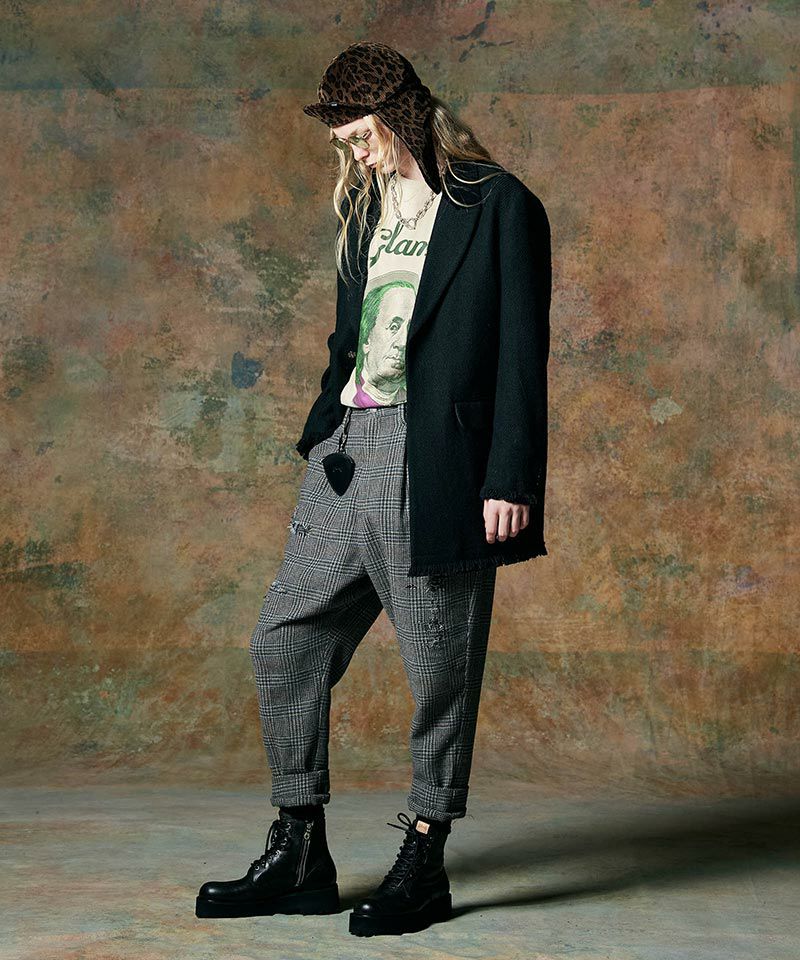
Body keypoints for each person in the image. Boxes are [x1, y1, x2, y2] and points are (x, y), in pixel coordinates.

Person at [196, 41, 551, 938]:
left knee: (438, 666)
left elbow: (521, 353)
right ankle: (299, 849)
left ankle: (424, 857)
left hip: (438, 459)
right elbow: (347, 337)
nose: (353, 155)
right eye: (343, 142)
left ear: (401, 116)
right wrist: (324, 430)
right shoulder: (363, 212)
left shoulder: (498, 205)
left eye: (360, 136)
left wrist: (508, 477)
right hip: (347, 451)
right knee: (284, 638)